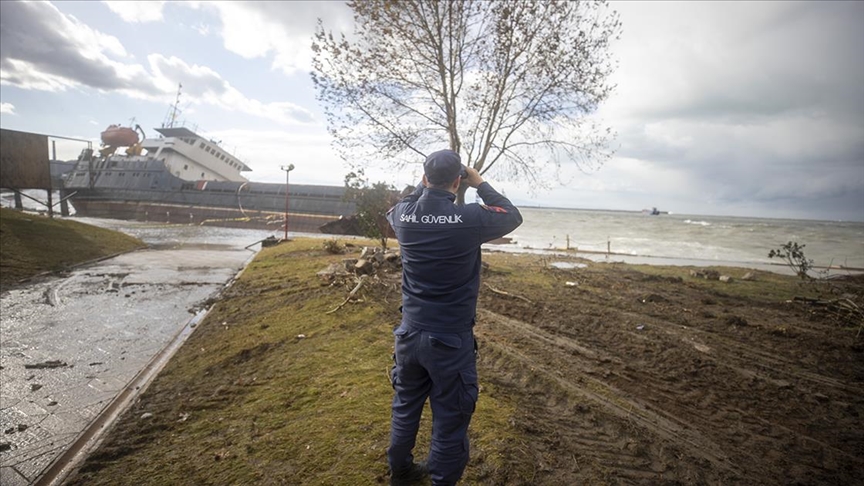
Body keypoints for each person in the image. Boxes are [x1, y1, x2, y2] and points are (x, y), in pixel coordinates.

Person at [385, 149, 523, 485]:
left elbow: (398, 206)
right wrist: (481, 183)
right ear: (459, 180)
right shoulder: (470, 218)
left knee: (405, 407)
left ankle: (401, 473)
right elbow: (511, 215)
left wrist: (422, 190)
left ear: (424, 177)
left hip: (409, 334)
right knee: (449, 419)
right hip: (449, 339)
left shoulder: (403, 215)